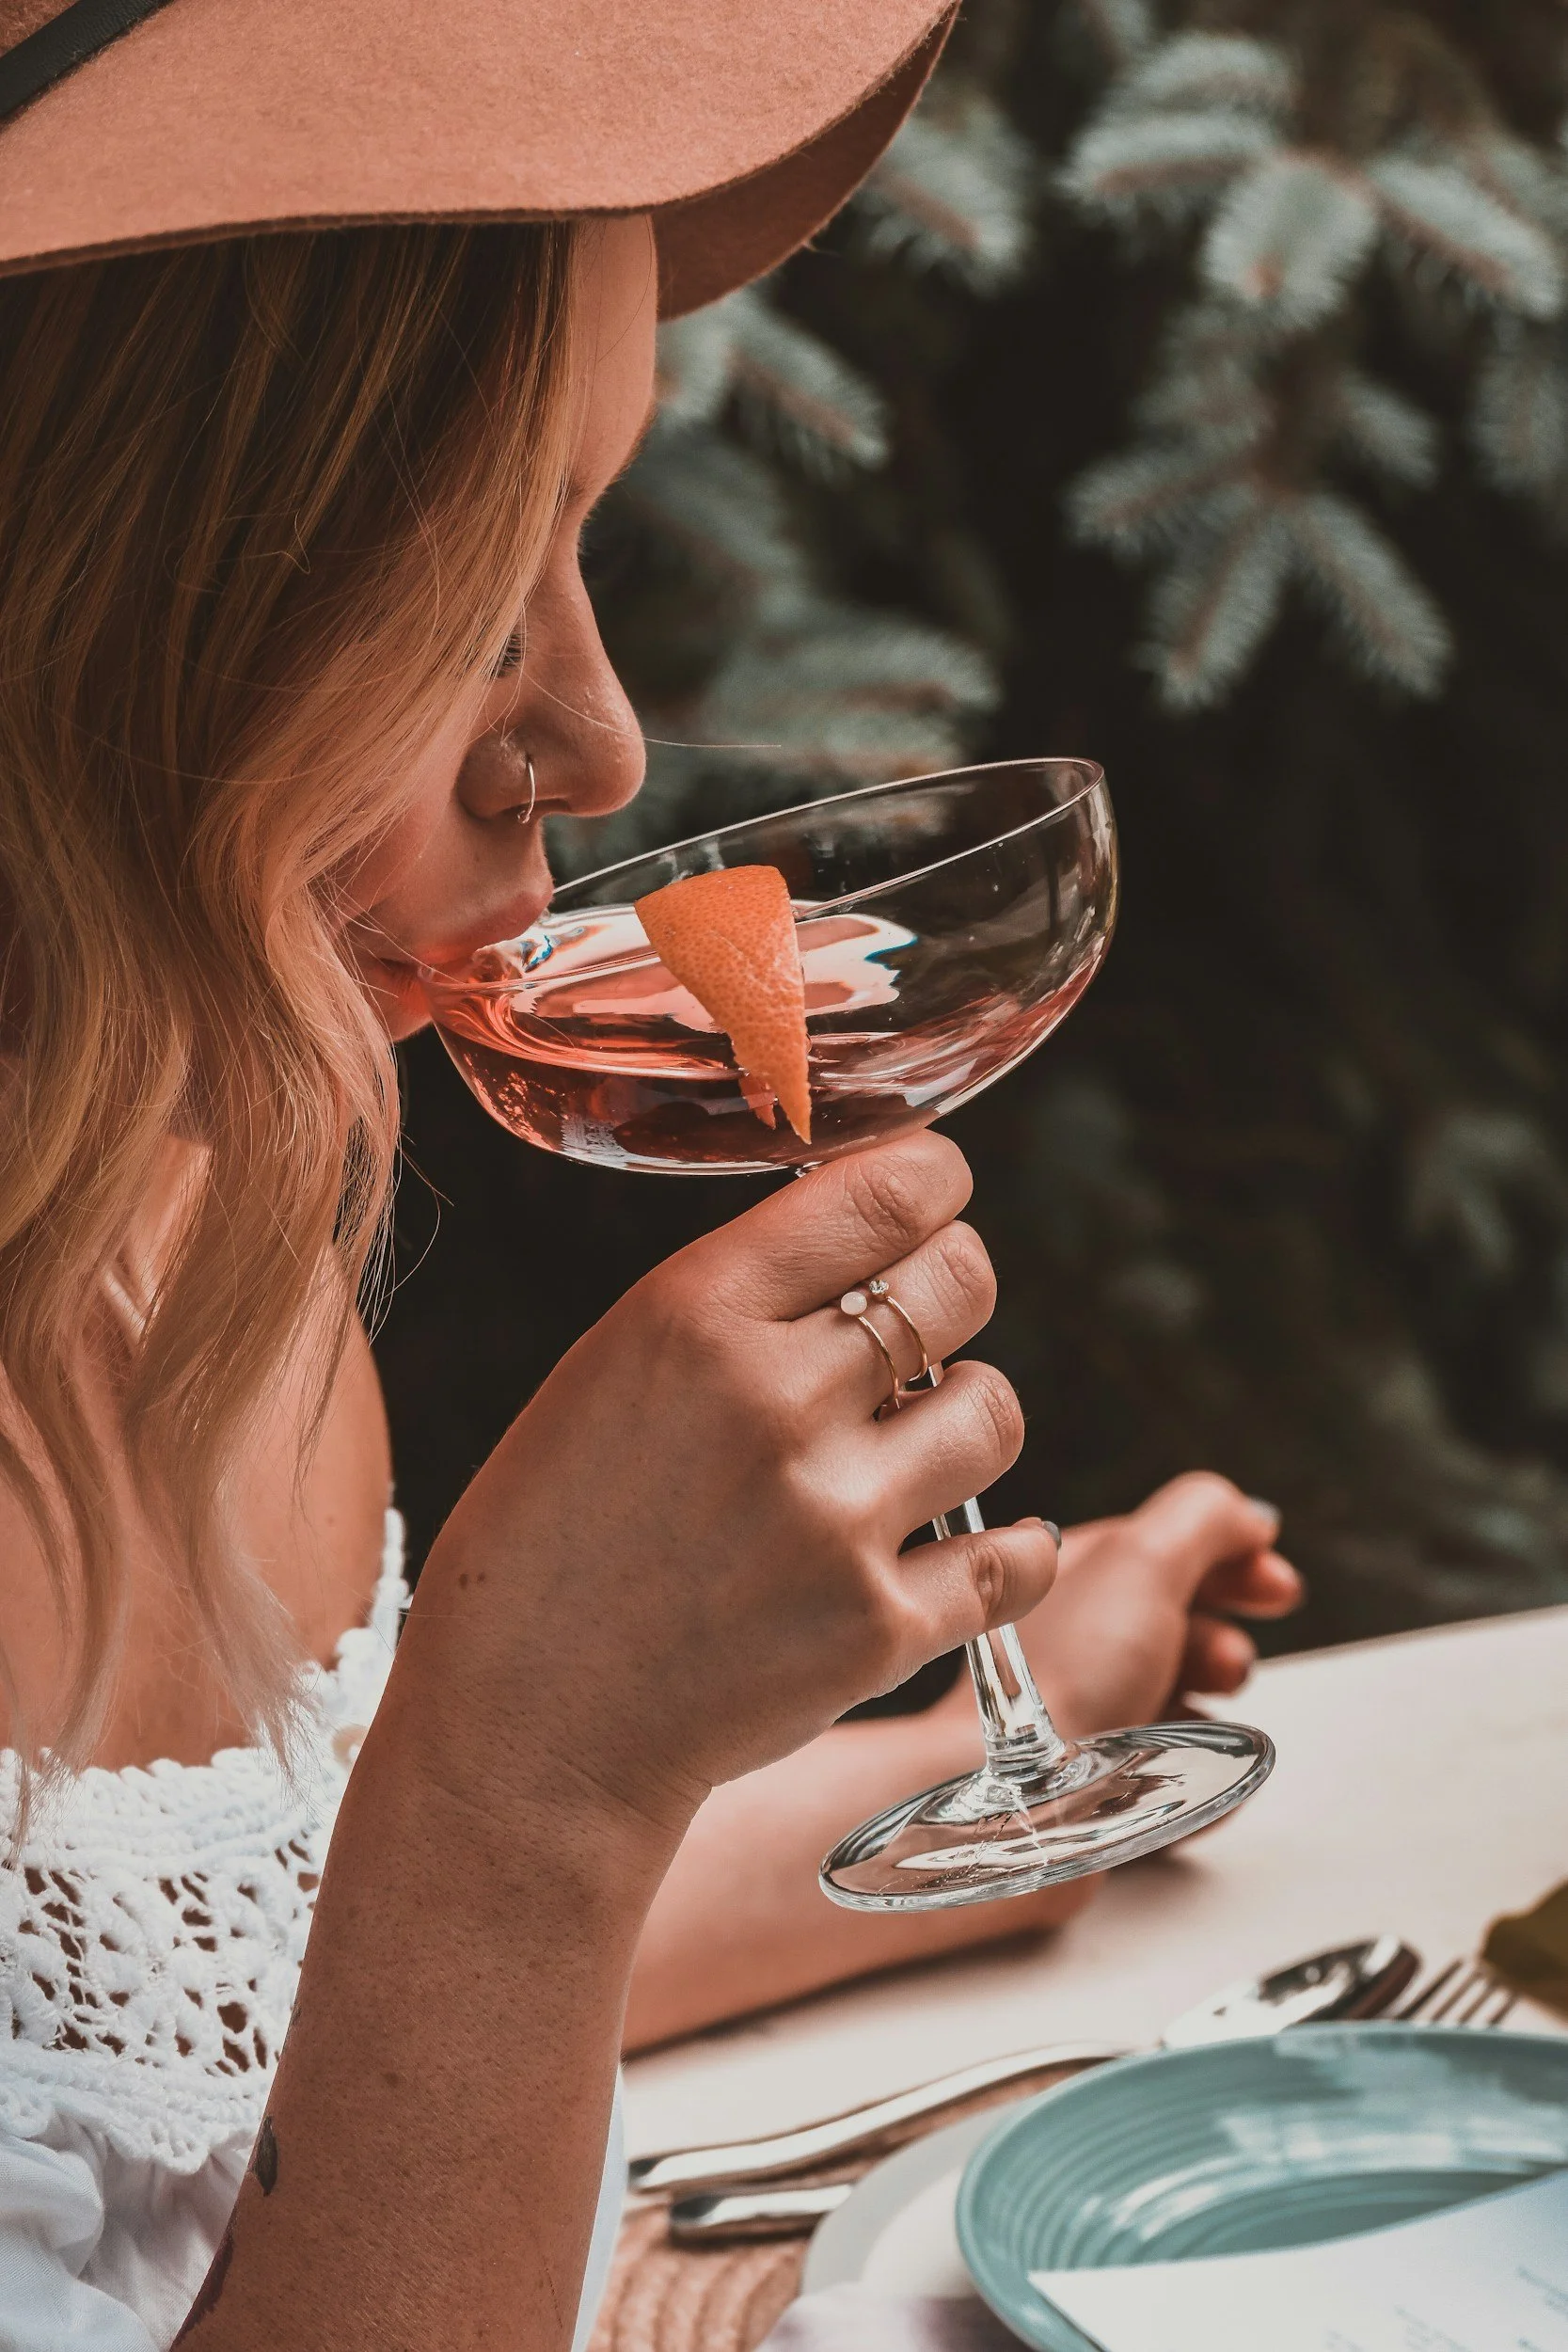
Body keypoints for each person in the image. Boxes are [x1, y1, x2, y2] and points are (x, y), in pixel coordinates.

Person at [0, 3, 1299, 2344]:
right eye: (479, 584)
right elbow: (458, 1905)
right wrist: (522, 1792)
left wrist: (923, 1780)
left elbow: (278, 2007)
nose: (592, 736)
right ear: (88, 593)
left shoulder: (198, 1263)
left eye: (581, 537)